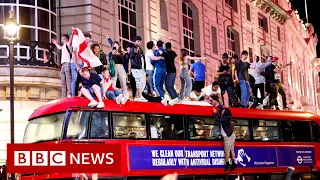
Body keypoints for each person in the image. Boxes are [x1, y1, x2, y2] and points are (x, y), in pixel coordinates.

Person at [213, 105, 237, 172]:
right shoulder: (226, 116)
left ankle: (227, 164)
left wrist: (214, 113)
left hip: (228, 136)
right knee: (231, 150)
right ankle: (234, 163)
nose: (222, 111)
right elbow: (221, 110)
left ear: (225, 112)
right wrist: (217, 105)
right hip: (230, 135)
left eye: (223, 111)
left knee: (226, 151)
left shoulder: (226, 118)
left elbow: (218, 119)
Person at [129, 36, 147, 102]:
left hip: (140, 68)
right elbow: (131, 55)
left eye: (140, 41)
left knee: (142, 83)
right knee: (139, 82)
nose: (139, 42)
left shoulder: (140, 49)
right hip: (136, 68)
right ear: (135, 42)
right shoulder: (133, 48)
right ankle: (139, 96)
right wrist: (134, 53)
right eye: (138, 41)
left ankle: (138, 96)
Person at [153, 40, 168, 105]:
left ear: (157, 45)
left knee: (156, 85)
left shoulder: (155, 52)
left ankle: (162, 97)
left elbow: (152, 61)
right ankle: (163, 97)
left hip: (158, 68)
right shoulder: (165, 52)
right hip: (164, 69)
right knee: (161, 85)